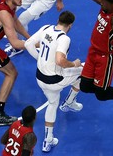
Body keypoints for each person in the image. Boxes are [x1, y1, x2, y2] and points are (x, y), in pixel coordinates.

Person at [25, 11, 83, 152]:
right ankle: (69, 102)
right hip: (55, 80)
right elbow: (60, 60)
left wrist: (39, 59)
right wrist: (74, 64)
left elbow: (28, 44)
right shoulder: (64, 39)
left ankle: (48, 140)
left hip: (40, 78)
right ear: (70, 25)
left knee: (53, 103)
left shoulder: (46, 28)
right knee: (83, 71)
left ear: (58, 20)